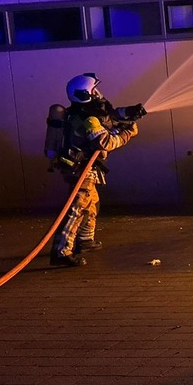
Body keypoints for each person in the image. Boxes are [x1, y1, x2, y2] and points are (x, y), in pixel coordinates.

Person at [49, 73, 145, 267]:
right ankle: (61, 251)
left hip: (82, 169)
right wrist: (127, 133)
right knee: (76, 210)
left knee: (92, 204)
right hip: (81, 170)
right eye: (94, 91)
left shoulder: (83, 112)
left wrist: (131, 112)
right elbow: (106, 142)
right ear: (85, 94)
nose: (98, 94)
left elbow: (111, 115)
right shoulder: (88, 119)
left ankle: (85, 240)